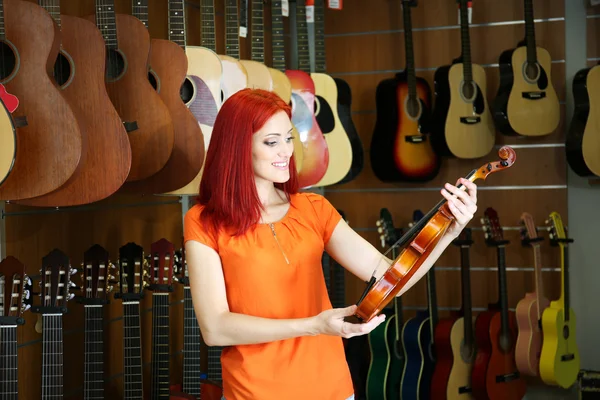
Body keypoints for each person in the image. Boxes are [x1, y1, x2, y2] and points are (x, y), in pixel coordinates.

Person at [184, 88, 478, 400]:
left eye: (288, 138)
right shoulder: (202, 221)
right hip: (253, 392)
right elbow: (215, 328)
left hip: (332, 389)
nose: (286, 151)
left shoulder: (313, 208)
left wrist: (448, 232)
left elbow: (392, 278)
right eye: (272, 142)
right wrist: (314, 325)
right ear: (237, 147)